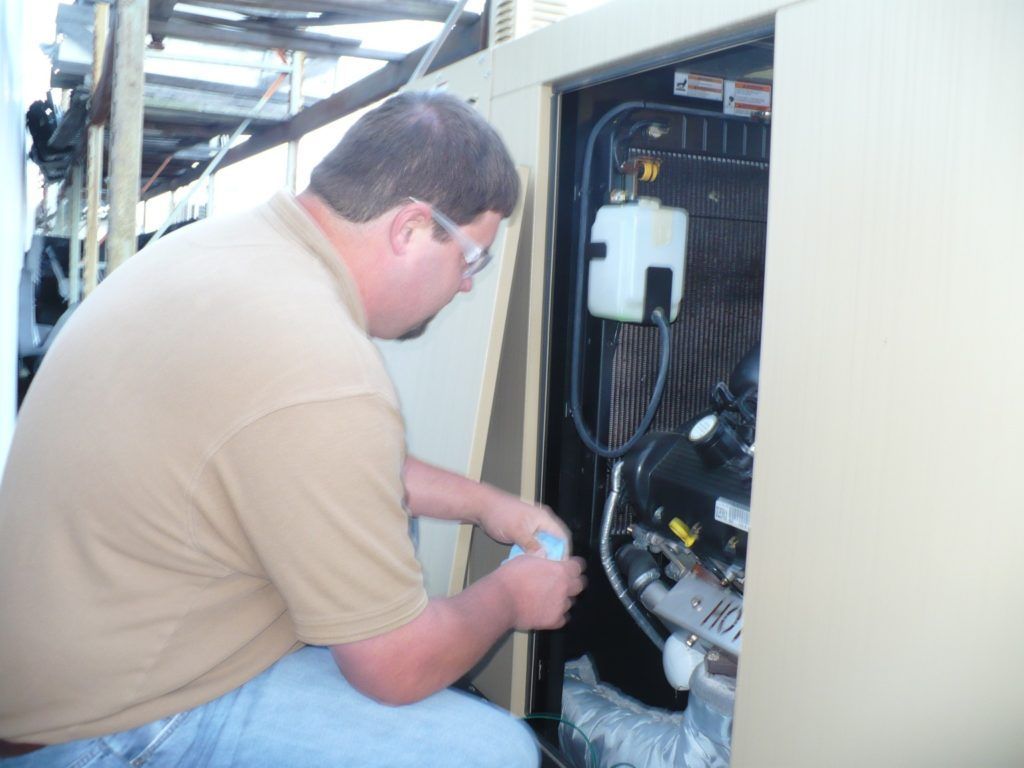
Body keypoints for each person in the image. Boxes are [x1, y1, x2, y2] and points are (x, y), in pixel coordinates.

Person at [0, 91, 587, 767]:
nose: (465, 286)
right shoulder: (322, 365)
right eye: (472, 260)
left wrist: (486, 505)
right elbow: (397, 667)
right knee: (493, 752)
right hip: (103, 728)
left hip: (61, 672)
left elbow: (331, 463)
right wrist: (510, 597)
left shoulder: (227, 250)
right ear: (410, 228)